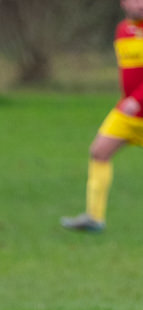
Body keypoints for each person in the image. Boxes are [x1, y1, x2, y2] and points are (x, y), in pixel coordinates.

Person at [61, 0, 143, 232]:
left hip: (137, 107)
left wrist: (137, 99)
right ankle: (94, 218)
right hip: (127, 114)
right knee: (99, 152)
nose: (140, 4)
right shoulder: (123, 30)